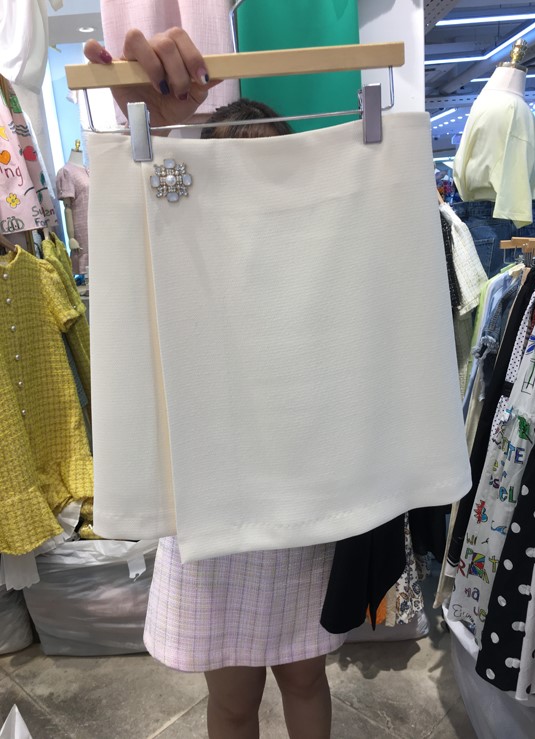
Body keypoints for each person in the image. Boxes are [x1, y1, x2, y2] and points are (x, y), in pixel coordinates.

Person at [85, 29, 347, 739]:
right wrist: (160, 130)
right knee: (232, 693)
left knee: (304, 675)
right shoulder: (186, 261)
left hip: (301, 506)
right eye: (234, 172)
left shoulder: (316, 269)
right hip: (212, 511)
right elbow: (148, 208)